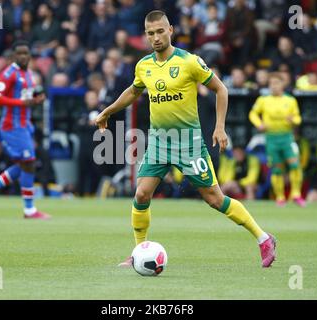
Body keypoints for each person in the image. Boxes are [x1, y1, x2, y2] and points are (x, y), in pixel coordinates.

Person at [95, 10, 276, 268]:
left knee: (215, 199)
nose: (156, 37)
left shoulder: (190, 62)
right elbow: (133, 91)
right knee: (142, 194)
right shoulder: (143, 65)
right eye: (150, 33)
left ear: (171, 30)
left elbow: (221, 89)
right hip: (159, 141)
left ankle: (264, 238)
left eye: (160, 31)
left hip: (189, 144)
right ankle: (138, 252)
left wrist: (220, 126)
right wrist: (108, 111)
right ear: (146, 36)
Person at [0, 40, 50, 220]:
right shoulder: (8, 74)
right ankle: (29, 209)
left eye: (26, 53)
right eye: (20, 53)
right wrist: (20, 103)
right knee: (29, 162)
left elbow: (24, 97)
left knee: (24, 164)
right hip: (12, 125)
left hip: (25, 125)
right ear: (14, 56)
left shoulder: (28, 74)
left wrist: (35, 99)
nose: (23, 56)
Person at [249, 73, 305, 207]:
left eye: (277, 83)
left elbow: (298, 118)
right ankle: (280, 197)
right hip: (271, 138)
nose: (274, 86)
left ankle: (296, 194)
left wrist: (294, 120)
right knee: (277, 168)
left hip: (287, 137)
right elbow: (252, 113)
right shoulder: (264, 100)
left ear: (282, 84)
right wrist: (259, 124)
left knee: (294, 164)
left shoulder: (290, 100)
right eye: (271, 83)